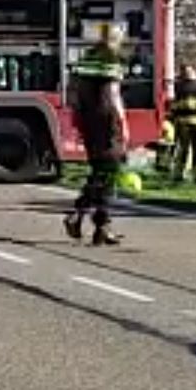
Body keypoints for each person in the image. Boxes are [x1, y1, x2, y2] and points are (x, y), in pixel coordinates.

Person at [65, 24, 129, 246]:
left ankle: (102, 226)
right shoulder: (111, 59)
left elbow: (73, 91)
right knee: (109, 171)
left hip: (88, 119)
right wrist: (123, 123)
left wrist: (78, 118)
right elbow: (113, 95)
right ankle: (80, 213)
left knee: (100, 171)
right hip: (106, 120)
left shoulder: (87, 57)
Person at [168, 66, 196, 183]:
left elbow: (174, 108)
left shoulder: (180, 89)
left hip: (184, 123)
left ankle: (179, 174)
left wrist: (173, 118)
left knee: (183, 149)